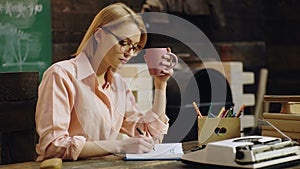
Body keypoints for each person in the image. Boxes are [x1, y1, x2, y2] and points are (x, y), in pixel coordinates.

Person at [35, 2, 174, 161]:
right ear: (99, 35)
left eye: (135, 47)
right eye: (124, 43)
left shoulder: (118, 84)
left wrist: (160, 84)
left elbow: (149, 134)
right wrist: (119, 146)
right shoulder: (60, 75)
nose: (129, 53)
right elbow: (52, 146)